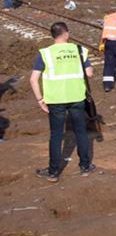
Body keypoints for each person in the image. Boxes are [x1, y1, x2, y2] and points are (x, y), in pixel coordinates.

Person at [30, 22, 96, 182]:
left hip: (55, 100)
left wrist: (40, 100)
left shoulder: (45, 53)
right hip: (77, 97)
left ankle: (53, 172)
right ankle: (85, 167)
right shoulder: (79, 50)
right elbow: (89, 73)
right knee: (80, 131)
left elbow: (33, 79)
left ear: (53, 35)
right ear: (66, 33)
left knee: (56, 135)